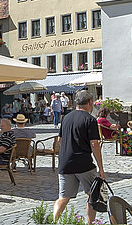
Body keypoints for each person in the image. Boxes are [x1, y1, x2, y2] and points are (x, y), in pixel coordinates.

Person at [52, 91, 106, 225]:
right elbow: (94, 144)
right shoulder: (90, 119)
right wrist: (101, 168)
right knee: (92, 195)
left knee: (63, 197)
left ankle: (53, 222)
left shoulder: (66, 118)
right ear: (89, 102)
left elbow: (60, 140)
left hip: (65, 163)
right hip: (83, 164)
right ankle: (91, 222)